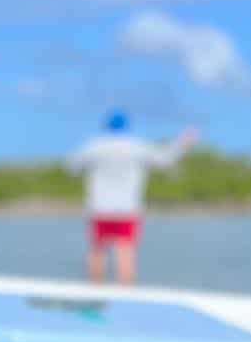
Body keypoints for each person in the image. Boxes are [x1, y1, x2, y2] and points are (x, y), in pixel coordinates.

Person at [66, 110, 198, 285]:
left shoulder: (95, 146)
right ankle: (125, 296)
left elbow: (71, 166)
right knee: (125, 252)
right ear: (127, 128)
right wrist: (183, 142)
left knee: (96, 250)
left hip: (99, 208)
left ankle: (94, 294)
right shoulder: (136, 146)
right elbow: (165, 159)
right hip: (126, 209)